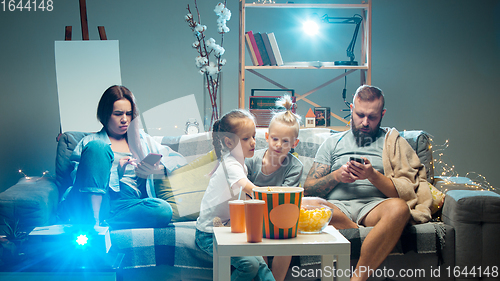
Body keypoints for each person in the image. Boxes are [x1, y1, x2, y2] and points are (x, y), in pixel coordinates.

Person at [303, 85, 432, 281]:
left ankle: (358, 278)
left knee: (399, 209)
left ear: (382, 114)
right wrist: (336, 176)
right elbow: (308, 187)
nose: (365, 122)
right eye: (360, 114)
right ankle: (355, 228)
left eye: (372, 117)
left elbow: (406, 192)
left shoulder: (393, 142)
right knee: (301, 204)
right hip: (337, 210)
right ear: (352, 109)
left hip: (374, 209)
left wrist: (372, 175)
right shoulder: (333, 142)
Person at [61, 85, 187, 230]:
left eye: (128, 114)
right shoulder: (90, 142)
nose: (124, 120)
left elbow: (178, 159)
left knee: (163, 210)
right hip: (95, 200)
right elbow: (81, 179)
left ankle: (103, 223)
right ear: (105, 114)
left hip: (126, 204)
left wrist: (154, 169)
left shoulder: (141, 140)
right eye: (118, 114)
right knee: (99, 147)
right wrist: (116, 174)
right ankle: (94, 220)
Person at [195, 109, 275, 281]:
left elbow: (244, 199)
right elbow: (251, 190)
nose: (253, 142)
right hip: (209, 233)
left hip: (229, 228)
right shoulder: (231, 165)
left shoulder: (241, 164)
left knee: (260, 263)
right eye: (246, 139)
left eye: (254, 136)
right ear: (229, 142)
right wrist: (275, 197)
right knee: (250, 265)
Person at [245, 95, 302, 281]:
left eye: (286, 142)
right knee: (256, 236)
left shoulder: (295, 167)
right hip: (252, 214)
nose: (279, 145)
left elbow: (286, 199)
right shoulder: (252, 160)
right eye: (275, 139)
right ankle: (263, 275)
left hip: (280, 215)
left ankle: (275, 278)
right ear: (267, 137)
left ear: (294, 144)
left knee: (288, 242)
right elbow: (243, 193)